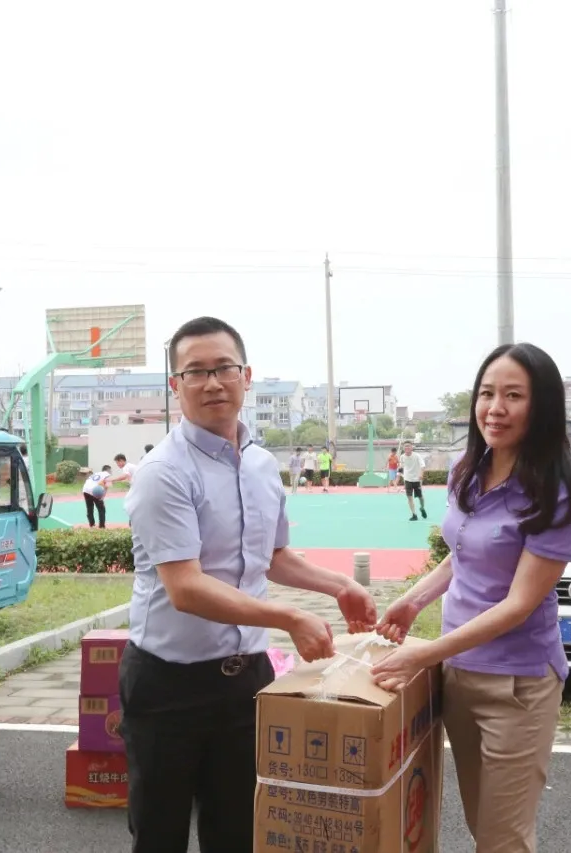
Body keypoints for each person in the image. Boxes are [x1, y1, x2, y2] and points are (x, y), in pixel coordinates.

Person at [120, 316, 378, 853]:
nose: (213, 382)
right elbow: (185, 588)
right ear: (176, 386)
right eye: (196, 372)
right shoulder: (164, 472)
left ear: (246, 375)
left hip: (246, 683)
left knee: (239, 830)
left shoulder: (261, 465)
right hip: (169, 685)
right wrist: (289, 618)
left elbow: (273, 557)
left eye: (224, 368)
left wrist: (338, 587)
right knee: (160, 834)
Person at [371, 342, 571, 853]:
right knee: (478, 822)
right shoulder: (467, 470)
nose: (496, 408)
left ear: (542, 407)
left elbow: (519, 603)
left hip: (517, 685)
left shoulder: (556, 495)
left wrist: (423, 653)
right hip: (459, 674)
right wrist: (414, 600)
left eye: (514, 395)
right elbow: (466, 553)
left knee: (502, 840)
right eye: (487, 393)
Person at [400, 441, 427, 521]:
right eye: (405, 446)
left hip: (416, 480)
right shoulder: (402, 457)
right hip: (407, 479)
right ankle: (414, 514)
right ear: (403, 448)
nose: (407, 448)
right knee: (409, 497)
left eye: (408, 446)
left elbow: (423, 466)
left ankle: (422, 508)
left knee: (420, 497)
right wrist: (402, 478)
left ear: (412, 447)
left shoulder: (417, 456)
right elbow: (402, 467)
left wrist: (421, 475)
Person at [83, 464, 112, 528]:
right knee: (101, 509)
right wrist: (103, 497)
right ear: (108, 470)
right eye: (111, 470)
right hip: (95, 490)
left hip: (85, 489)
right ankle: (102, 526)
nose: (111, 472)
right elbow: (107, 486)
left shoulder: (97, 473)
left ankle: (92, 525)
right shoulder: (107, 475)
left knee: (89, 508)